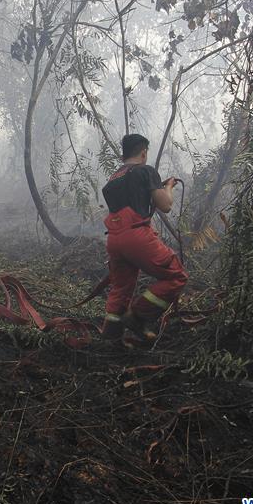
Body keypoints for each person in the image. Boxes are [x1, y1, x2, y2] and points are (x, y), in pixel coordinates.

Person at [100, 134, 188, 348]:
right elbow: (165, 205)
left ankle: (111, 338)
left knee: (121, 287)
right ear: (143, 152)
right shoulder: (146, 171)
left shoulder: (113, 179)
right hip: (137, 236)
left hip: (114, 239)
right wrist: (167, 187)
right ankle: (138, 317)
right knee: (176, 276)